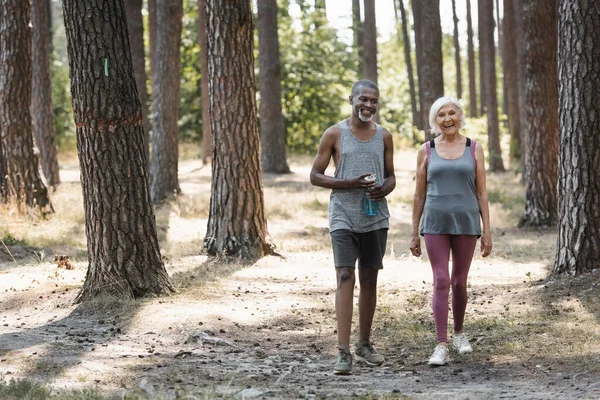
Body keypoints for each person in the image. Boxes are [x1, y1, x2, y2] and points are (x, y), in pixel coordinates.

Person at [310, 79, 396, 375]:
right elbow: (315, 176)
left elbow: (391, 177)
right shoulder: (334, 133)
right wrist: (349, 183)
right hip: (343, 214)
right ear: (351, 98)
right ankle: (343, 352)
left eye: (373, 101)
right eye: (363, 99)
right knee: (345, 275)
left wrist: (383, 189)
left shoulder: (384, 136)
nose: (368, 105)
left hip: (374, 215)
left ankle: (364, 344)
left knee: (369, 280)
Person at [409, 96, 492, 366]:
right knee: (441, 280)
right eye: (441, 115)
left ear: (460, 116)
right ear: (436, 121)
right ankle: (441, 344)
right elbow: (419, 194)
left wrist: (487, 230)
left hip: (467, 223)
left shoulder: (474, 148)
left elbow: (481, 192)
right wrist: (414, 231)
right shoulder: (427, 150)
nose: (447, 119)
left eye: (452, 113)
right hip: (435, 223)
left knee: (459, 281)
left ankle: (459, 334)